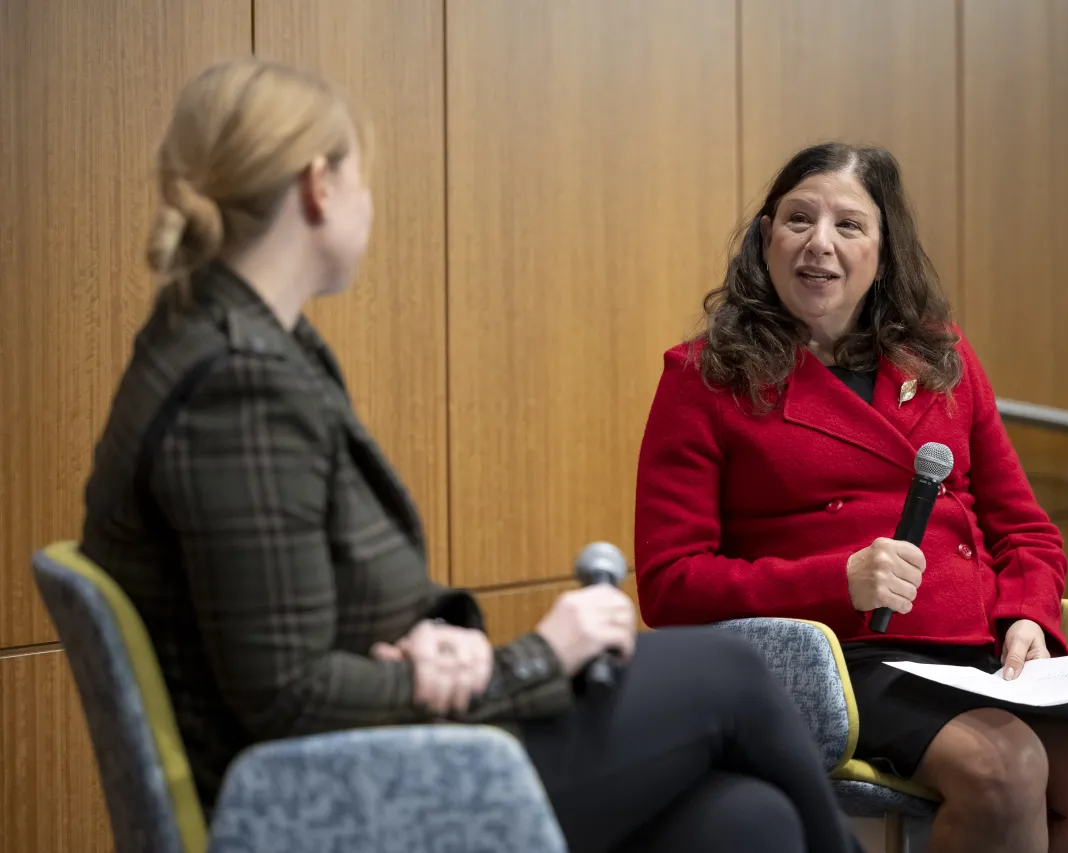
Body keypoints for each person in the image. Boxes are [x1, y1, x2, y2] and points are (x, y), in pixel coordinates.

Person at [80, 59, 860, 853]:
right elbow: (285, 695)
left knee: (747, 822)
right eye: (362, 179)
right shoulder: (236, 384)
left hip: (379, 741)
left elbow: (286, 614)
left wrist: (431, 636)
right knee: (733, 676)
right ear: (318, 186)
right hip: (335, 791)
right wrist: (532, 659)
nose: (368, 201)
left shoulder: (240, 345)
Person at [633, 142, 1068, 853]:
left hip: (983, 654)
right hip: (847, 660)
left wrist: (1029, 616)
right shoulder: (705, 378)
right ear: (767, 238)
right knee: (1006, 768)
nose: (818, 243)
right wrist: (837, 580)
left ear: (883, 253)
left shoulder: (943, 357)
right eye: (798, 219)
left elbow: (1026, 531)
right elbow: (671, 584)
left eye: (849, 225)